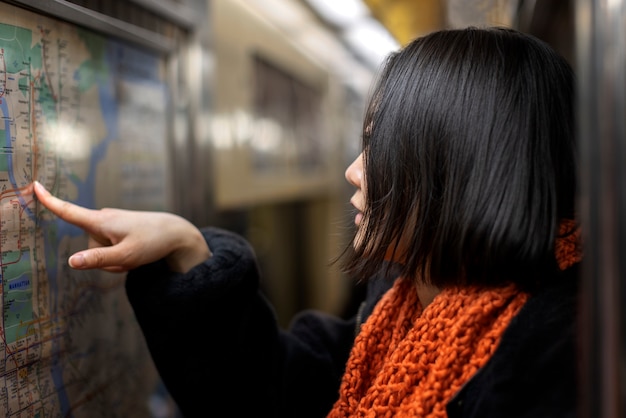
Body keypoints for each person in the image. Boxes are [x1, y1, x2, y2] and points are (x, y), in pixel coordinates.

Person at [33, 26, 580, 418]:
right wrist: (189, 251)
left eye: (379, 149)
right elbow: (282, 392)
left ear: (460, 166)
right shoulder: (402, 306)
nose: (352, 172)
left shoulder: (555, 357)